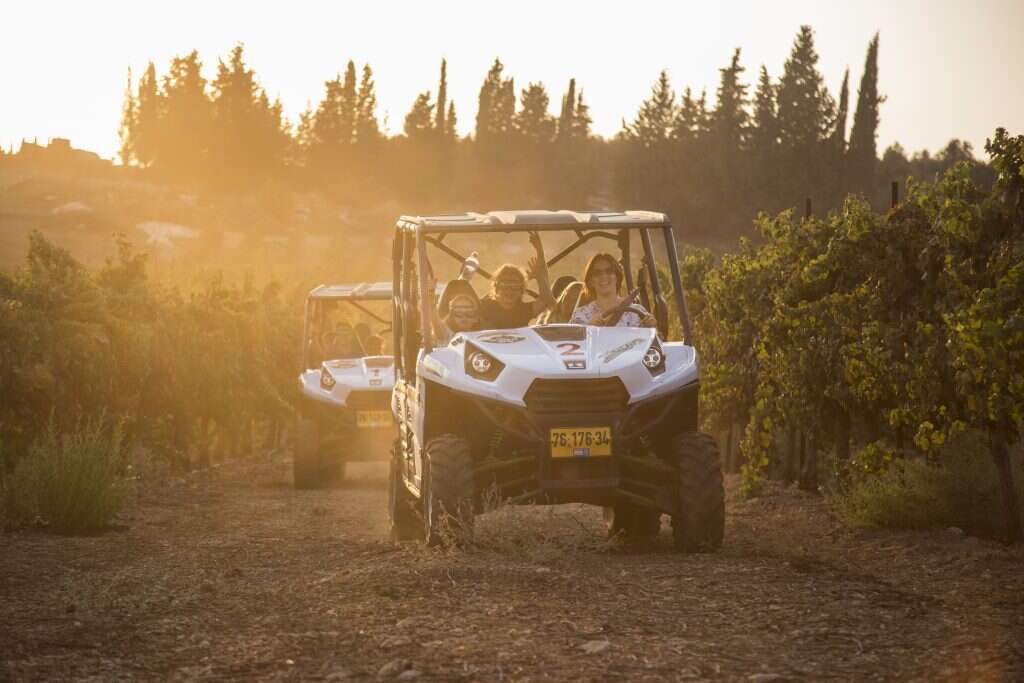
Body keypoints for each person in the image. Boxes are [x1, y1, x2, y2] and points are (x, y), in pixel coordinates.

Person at [478, 231, 554, 329]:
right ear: (496, 288)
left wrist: (540, 255)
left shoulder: (523, 310)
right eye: (505, 286)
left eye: (514, 287)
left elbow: (547, 300)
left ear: (521, 291)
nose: (509, 291)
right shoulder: (484, 306)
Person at [570, 253, 657, 328]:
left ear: (617, 277)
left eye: (609, 271)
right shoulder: (580, 316)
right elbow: (571, 345)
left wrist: (651, 328)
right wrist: (589, 328)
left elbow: (653, 345)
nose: (604, 276)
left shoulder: (637, 313)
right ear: (591, 281)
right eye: (597, 273)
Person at [427, 273, 482, 345]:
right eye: (459, 313)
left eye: (469, 314)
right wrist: (429, 294)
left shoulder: (484, 336)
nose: (464, 317)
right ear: (451, 316)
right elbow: (435, 320)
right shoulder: (445, 334)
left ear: (475, 318)